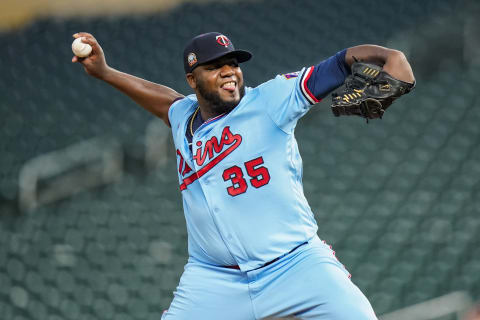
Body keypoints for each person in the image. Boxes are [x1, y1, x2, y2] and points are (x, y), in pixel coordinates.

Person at [72, 31, 415, 319]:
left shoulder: (270, 99)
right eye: (214, 66)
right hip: (213, 281)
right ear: (192, 80)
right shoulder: (183, 117)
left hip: (295, 264)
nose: (228, 72)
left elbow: (340, 63)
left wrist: (389, 55)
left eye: (232, 64)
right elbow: (167, 102)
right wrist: (105, 73)